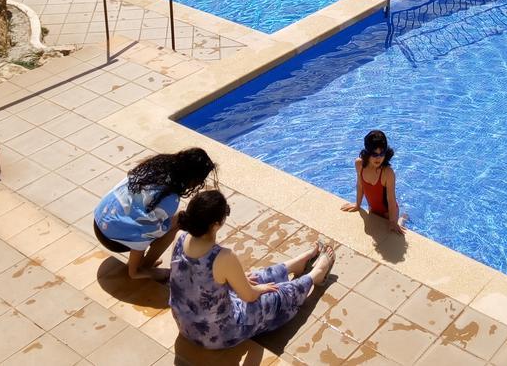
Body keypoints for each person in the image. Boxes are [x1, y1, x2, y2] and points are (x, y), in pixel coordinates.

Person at [168, 189, 335, 350]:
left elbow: (198, 282)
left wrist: (241, 283)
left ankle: (294, 265)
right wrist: (260, 290)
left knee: (251, 278)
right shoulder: (223, 257)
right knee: (275, 293)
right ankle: (315, 275)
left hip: (186, 326)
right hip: (218, 335)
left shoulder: (180, 238)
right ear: (216, 224)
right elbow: (249, 296)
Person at [94, 148, 216, 280]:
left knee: (154, 220)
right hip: (111, 239)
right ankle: (137, 270)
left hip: (99, 219)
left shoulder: (156, 165)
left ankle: (142, 264)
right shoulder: (170, 199)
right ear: (193, 179)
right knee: (179, 222)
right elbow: (144, 232)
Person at [340, 130, 406, 235]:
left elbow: (391, 200)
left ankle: (402, 218)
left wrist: (393, 222)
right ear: (367, 152)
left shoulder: (387, 173)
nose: (378, 158)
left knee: (396, 230)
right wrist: (357, 204)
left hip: (388, 213)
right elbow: (360, 185)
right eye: (374, 154)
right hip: (373, 209)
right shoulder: (359, 164)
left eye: (382, 153)